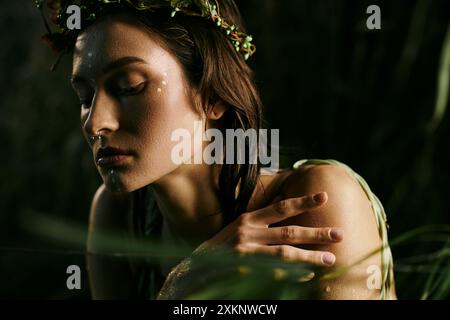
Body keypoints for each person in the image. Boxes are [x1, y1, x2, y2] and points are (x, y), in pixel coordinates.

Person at [37, 0, 396, 299]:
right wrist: (179, 291)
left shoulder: (316, 201)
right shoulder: (118, 214)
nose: (95, 122)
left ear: (212, 96)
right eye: (85, 96)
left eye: (130, 86)